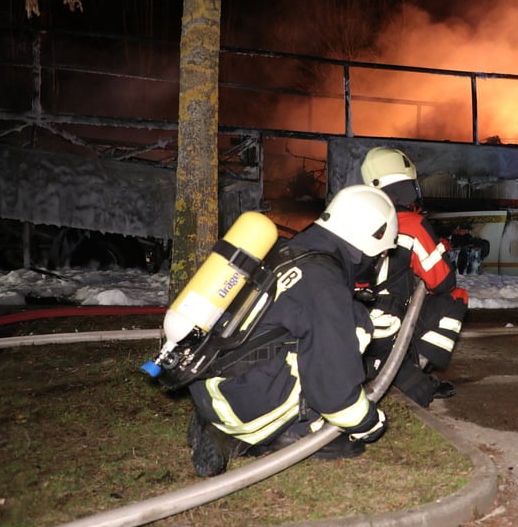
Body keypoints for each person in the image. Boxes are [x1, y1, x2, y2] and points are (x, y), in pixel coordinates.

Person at [188, 184, 398, 477]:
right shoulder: (323, 283)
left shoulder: (291, 250)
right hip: (245, 397)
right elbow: (333, 383)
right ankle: (295, 429)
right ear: (368, 242)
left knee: (328, 327)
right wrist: (367, 423)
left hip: (212, 384)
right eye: (379, 254)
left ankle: (221, 428)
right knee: (356, 322)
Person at [358, 146, 469, 407]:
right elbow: (442, 282)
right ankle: (408, 369)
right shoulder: (410, 224)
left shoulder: (355, 217)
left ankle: (380, 362)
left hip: (349, 320)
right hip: (384, 326)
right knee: (454, 298)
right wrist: (437, 249)